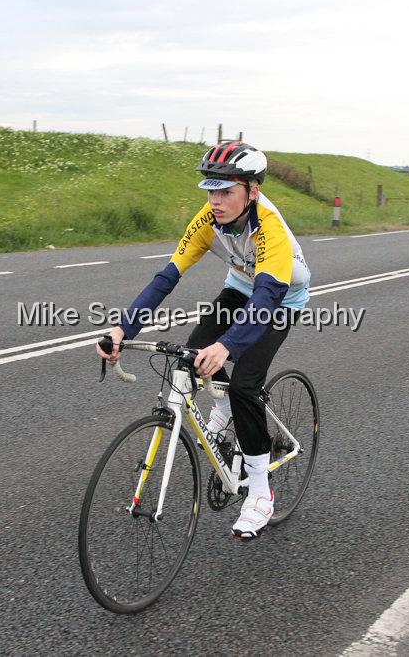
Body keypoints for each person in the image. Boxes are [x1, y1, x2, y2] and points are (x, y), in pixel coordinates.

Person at [95, 141, 311, 540]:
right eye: (211, 191)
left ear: (253, 192)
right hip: (239, 288)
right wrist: (123, 330)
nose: (216, 201)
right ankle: (228, 405)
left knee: (245, 380)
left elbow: (265, 299)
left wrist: (228, 346)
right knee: (192, 355)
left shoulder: (271, 230)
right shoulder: (206, 221)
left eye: (226, 192)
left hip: (278, 297)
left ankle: (261, 493)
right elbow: (167, 278)